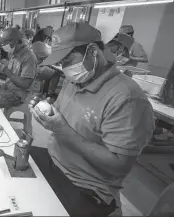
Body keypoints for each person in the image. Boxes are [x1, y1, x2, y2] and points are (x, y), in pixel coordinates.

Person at [29, 22, 155, 217]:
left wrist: (63, 130)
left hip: (86, 185)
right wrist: (47, 111)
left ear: (93, 51)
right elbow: (63, 116)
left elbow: (119, 165)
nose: (65, 68)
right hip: (55, 161)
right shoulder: (74, 80)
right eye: (61, 63)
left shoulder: (126, 98)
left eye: (68, 60)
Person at [0, 28, 37, 109]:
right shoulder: (13, 53)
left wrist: (5, 69)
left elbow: (25, 84)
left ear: (14, 42)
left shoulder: (29, 57)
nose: (2, 45)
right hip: (7, 87)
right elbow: (10, 76)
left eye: (4, 42)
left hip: (17, 95)